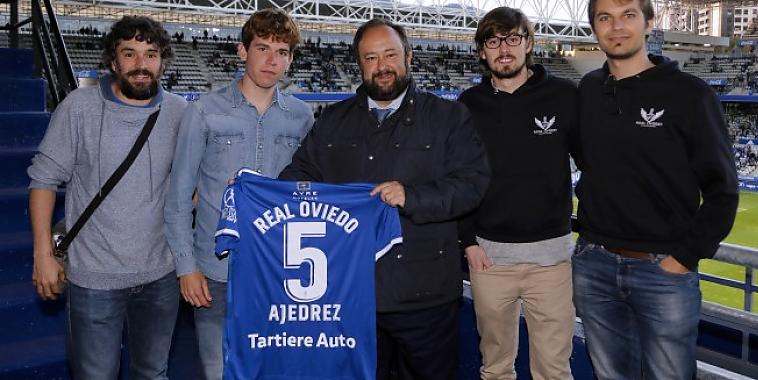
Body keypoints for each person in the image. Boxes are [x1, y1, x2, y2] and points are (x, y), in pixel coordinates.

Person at [279, 18, 490, 380]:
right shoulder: (333, 120)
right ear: (359, 66)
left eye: (390, 54)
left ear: (408, 56)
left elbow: (472, 184)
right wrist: (256, 189)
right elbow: (299, 177)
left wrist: (413, 196)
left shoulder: (448, 116)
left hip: (426, 298)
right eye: (371, 58)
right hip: (351, 295)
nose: (382, 66)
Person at [572, 0, 739, 378]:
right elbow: (588, 161)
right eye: (605, 18)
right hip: (594, 264)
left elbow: (723, 190)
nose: (617, 27)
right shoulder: (589, 89)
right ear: (594, 29)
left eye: (628, 15)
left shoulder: (691, 95)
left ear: (649, 23)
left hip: (662, 270)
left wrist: (681, 259)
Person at [28, 15, 187, 379]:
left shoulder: (179, 111)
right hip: (94, 279)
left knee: (152, 373)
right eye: (129, 54)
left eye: (150, 54)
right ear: (113, 61)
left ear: (162, 60)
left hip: (161, 275)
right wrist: (42, 254)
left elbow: (186, 185)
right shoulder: (79, 107)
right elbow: (42, 180)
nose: (140, 65)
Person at [164, 9, 313, 380]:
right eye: (262, 48)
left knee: (276, 370)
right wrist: (187, 267)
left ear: (291, 59)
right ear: (242, 51)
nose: (272, 60)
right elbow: (179, 196)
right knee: (219, 372)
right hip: (217, 271)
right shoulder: (204, 112)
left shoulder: (302, 116)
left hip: (281, 271)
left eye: (282, 51)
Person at [458, 7, 577, 380]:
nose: (503, 49)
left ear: (529, 44)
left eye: (513, 38)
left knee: (554, 370)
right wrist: (468, 242)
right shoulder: (467, 106)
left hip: (552, 261)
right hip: (489, 260)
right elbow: (457, 179)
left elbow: (598, 164)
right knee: (495, 368)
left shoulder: (564, 96)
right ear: (482, 51)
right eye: (493, 41)